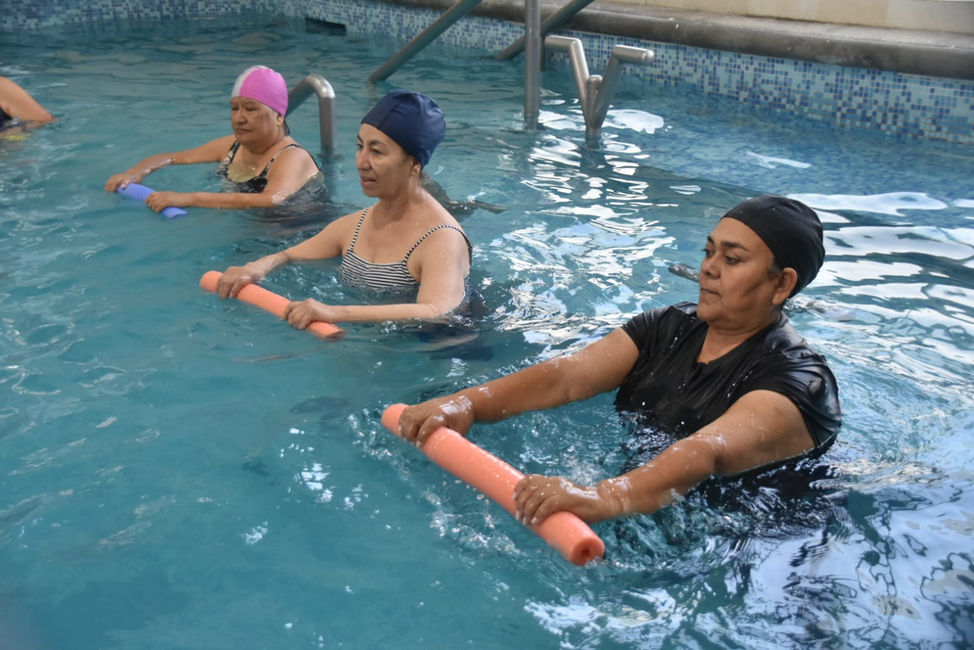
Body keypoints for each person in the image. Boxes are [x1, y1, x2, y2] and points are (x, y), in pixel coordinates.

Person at [396, 195, 841, 526]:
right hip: (650, 499)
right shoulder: (668, 327)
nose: (708, 268)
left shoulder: (799, 382)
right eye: (709, 252)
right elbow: (568, 376)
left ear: (782, 285)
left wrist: (605, 496)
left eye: (733, 259)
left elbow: (707, 451)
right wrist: (466, 403)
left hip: (752, 531)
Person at [214, 89, 472, 324]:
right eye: (360, 147)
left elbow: (437, 310)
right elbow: (288, 255)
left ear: (414, 163)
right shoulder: (356, 225)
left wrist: (336, 312)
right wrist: (255, 267)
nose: (361, 162)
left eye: (377, 152)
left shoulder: (442, 239)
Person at [104, 65, 322, 211]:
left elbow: (271, 200)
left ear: (279, 116)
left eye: (250, 109)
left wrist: (189, 198)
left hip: (297, 231)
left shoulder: (292, 157)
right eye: (234, 108)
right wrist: (135, 173)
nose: (239, 118)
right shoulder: (232, 146)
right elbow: (173, 158)